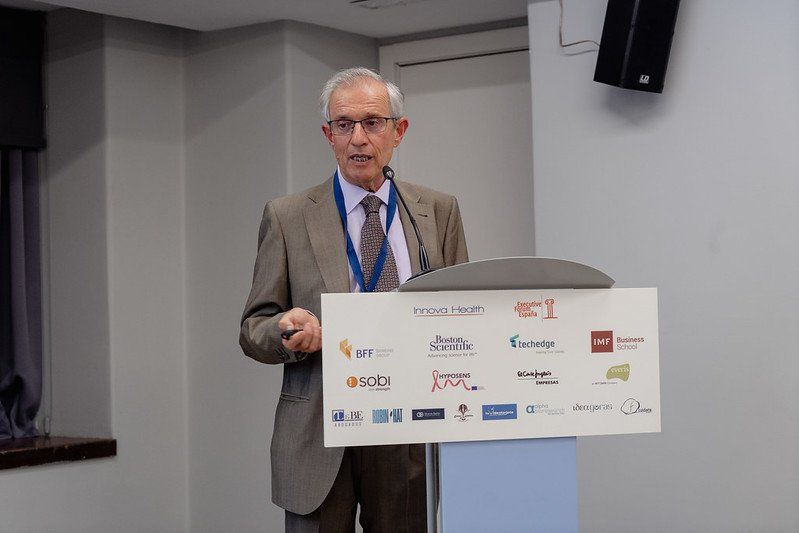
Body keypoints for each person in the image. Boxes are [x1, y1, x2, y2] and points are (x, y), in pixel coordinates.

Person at [239, 67, 468, 533]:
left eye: (373, 123)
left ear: (398, 131)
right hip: (321, 431)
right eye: (344, 125)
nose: (358, 138)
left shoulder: (436, 211)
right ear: (329, 135)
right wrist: (286, 330)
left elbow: (463, 312)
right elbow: (253, 328)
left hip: (407, 429)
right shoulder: (287, 217)